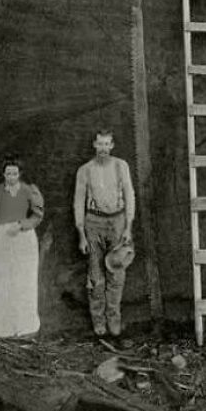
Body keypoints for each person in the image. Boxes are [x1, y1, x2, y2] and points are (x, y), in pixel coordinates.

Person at [0, 156, 44, 338]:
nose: (11, 176)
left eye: (14, 173)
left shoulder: (29, 190)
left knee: (21, 279)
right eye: (8, 173)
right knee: (0, 279)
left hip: (23, 238)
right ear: (3, 174)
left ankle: (22, 324)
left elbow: (37, 215)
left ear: (20, 174)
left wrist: (22, 225)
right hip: (2, 238)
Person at [74, 131, 135, 337]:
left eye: (106, 144)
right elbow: (78, 201)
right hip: (93, 222)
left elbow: (130, 195)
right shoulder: (85, 170)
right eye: (99, 144)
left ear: (112, 145)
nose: (103, 148)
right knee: (95, 275)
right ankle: (98, 323)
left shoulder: (121, 166)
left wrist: (128, 227)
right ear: (94, 145)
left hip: (117, 222)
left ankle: (114, 321)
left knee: (116, 273)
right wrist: (81, 233)